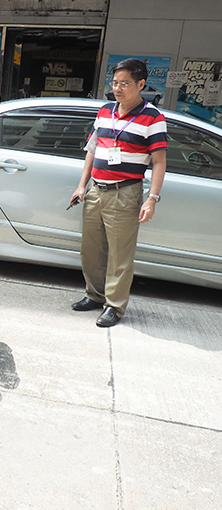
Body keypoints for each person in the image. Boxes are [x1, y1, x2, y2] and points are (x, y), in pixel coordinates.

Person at [69, 58, 167, 327]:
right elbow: (92, 150)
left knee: (119, 255)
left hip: (125, 192)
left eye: (125, 83)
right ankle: (94, 295)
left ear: (141, 84)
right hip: (96, 191)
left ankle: (115, 305)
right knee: (90, 250)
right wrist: (82, 185)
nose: (118, 88)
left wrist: (152, 198)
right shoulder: (104, 111)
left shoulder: (153, 118)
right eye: (115, 83)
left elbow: (159, 162)